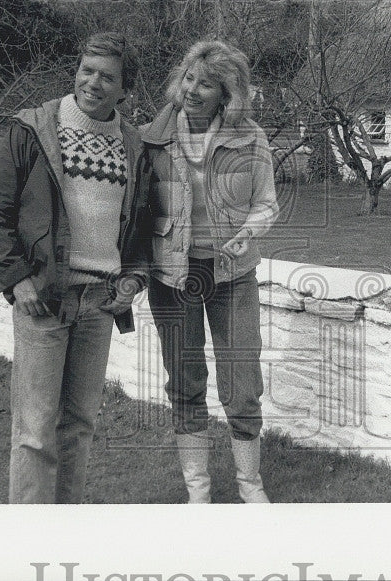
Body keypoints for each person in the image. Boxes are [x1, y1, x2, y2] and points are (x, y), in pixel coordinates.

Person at [0, 32, 149, 504]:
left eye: (107, 77)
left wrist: (132, 279)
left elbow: (141, 225)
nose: (93, 82)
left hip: (99, 304)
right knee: (35, 429)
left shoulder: (133, 145)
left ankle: (64, 533)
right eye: (87, 70)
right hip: (44, 299)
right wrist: (15, 277)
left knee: (79, 425)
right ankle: (30, 543)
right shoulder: (32, 129)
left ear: (124, 88)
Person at [141, 40, 279, 503]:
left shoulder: (251, 137)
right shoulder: (151, 138)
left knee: (242, 383)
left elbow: (265, 205)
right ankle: (198, 490)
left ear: (227, 94)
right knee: (185, 378)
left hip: (232, 273)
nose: (194, 90)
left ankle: (249, 485)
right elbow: (134, 212)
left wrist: (246, 234)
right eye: (189, 79)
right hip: (173, 276)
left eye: (208, 83)